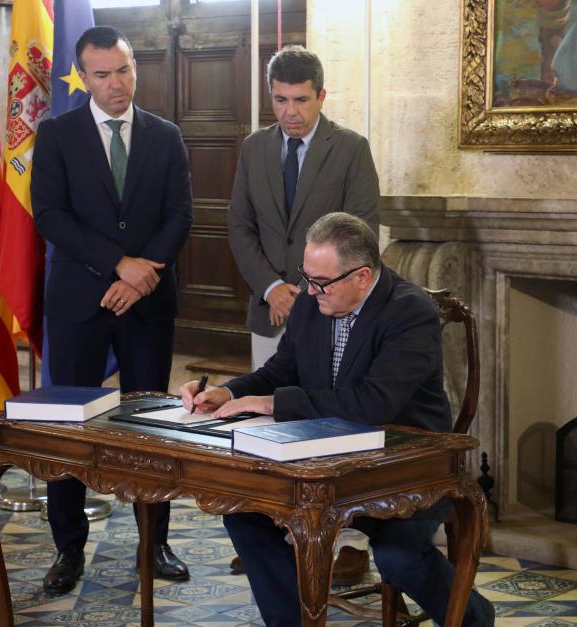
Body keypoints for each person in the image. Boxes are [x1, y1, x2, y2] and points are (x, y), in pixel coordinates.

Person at [180, 213, 494, 627]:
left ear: (362, 276)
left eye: (321, 282)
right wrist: (230, 392)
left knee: (398, 558)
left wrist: (272, 404)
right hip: (326, 457)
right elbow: (282, 370)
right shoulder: (313, 301)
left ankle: (474, 618)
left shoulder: (410, 311)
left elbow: (374, 404)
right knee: (244, 513)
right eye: (307, 277)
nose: (310, 290)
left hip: (405, 463)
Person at [31, 26, 193, 595]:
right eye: (102, 74)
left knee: (152, 425)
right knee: (70, 427)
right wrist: (119, 265)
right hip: (80, 300)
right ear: (84, 77)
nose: (115, 83)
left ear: (134, 68)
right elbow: (50, 215)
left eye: (123, 70)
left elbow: (180, 216)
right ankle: (68, 547)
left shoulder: (166, 136)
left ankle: (156, 542)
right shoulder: (56, 135)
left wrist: (141, 276)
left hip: (147, 301)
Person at [227, 44, 379, 584]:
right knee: (270, 422)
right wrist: (272, 287)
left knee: (331, 427)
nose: (290, 112)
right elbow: (240, 226)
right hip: (270, 308)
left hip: (333, 307)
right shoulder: (254, 148)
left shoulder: (351, 148)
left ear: (321, 96)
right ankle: (275, 535)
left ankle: (347, 543)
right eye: (280, 100)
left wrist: (310, 290)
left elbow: (363, 230)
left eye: (300, 100)